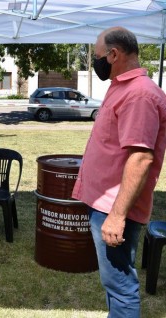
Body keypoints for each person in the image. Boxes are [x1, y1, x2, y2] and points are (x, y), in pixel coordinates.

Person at [73, 26, 166, 317]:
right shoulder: (122, 86)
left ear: (114, 54)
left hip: (114, 208)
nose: (95, 63)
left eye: (97, 57)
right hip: (105, 204)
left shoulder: (139, 94)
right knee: (113, 282)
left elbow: (140, 158)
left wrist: (116, 216)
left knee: (120, 285)